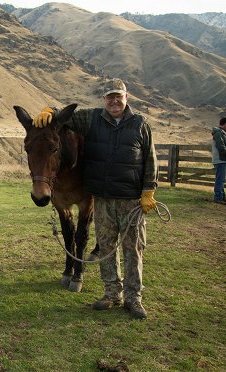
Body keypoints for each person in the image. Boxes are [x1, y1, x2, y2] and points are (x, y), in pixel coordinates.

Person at [32, 78, 158, 319]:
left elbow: (150, 159)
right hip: (102, 198)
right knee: (107, 247)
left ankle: (134, 298)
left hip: (131, 198)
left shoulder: (140, 123)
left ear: (126, 97)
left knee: (133, 249)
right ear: (104, 100)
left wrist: (148, 191)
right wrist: (49, 111)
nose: (114, 101)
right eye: (109, 97)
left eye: (118, 96)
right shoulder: (92, 119)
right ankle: (112, 293)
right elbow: (62, 117)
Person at [211, 117, 226, 205]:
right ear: (225, 124)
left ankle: (221, 196)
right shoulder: (219, 133)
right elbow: (221, 146)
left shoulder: (221, 133)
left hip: (222, 160)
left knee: (221, 179)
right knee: (220, 180)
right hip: (221, 160)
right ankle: (218, 198)